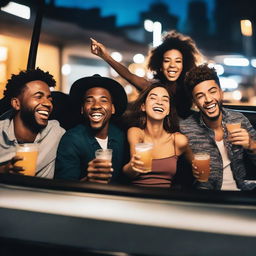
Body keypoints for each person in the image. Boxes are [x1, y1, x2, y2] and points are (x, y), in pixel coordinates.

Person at [90, 31, 203, 118]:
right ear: (159, 64)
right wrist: (105, 56)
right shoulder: (153, 87)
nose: (172, 65)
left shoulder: (190, 87)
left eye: (178, 61)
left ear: (184, 65)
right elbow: (129, 75)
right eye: (167, 60)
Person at [180, 64, 256, 190]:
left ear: (221, 93)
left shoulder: (238, 120)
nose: (208, 99)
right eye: (200, 96)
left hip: (241, 194)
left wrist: (251, 145)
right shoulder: (185, 129)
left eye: (212, 91)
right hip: (207, 199)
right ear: (194, 102)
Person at [54, 74, 128, 184]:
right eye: (89, 100)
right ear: (82, 109)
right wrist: (88, 180)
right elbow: (63, 186)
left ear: (112, 109)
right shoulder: (71, 140)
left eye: (103, 100)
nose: (96, 106)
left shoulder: (120, 136)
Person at [0, 68, 65, 178]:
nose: (48, 104)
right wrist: (3, 171)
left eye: (50, 99)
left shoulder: (56, 132)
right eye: (38, 96)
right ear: (16, 103)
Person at [123, 82, 190, 188]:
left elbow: (195, 165)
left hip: (165, 200)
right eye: (153, 98)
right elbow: (130, 174)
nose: (159, 102)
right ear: (143, 107)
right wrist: (133, 166)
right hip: (137, 198)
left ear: (168, 110)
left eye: (165, 100)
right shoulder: (135, 132)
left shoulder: (178, 140)